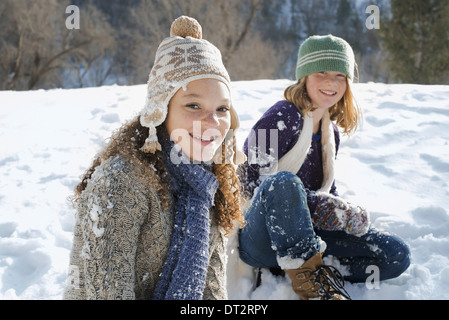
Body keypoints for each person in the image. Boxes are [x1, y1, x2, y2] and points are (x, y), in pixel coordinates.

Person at [64, 16, 245, 300]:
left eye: (222, 109)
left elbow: (211, 293)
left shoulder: (206, 184)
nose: (212, 122)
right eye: (193, 105)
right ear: (160, 110)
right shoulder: (122, 182)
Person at [237, 35, 410, 300]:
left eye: (341, 75)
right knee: (284, 182)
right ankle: (312, 286)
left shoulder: (331, 132)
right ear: (304, 75)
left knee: (395, 254)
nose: (332, 82)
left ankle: (308, 267)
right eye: (322, 72)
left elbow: (324, 190)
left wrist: (344, 214)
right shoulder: (281, 116)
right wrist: (318, 205)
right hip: (260, 237)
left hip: (307, 237)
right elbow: (247, 182)